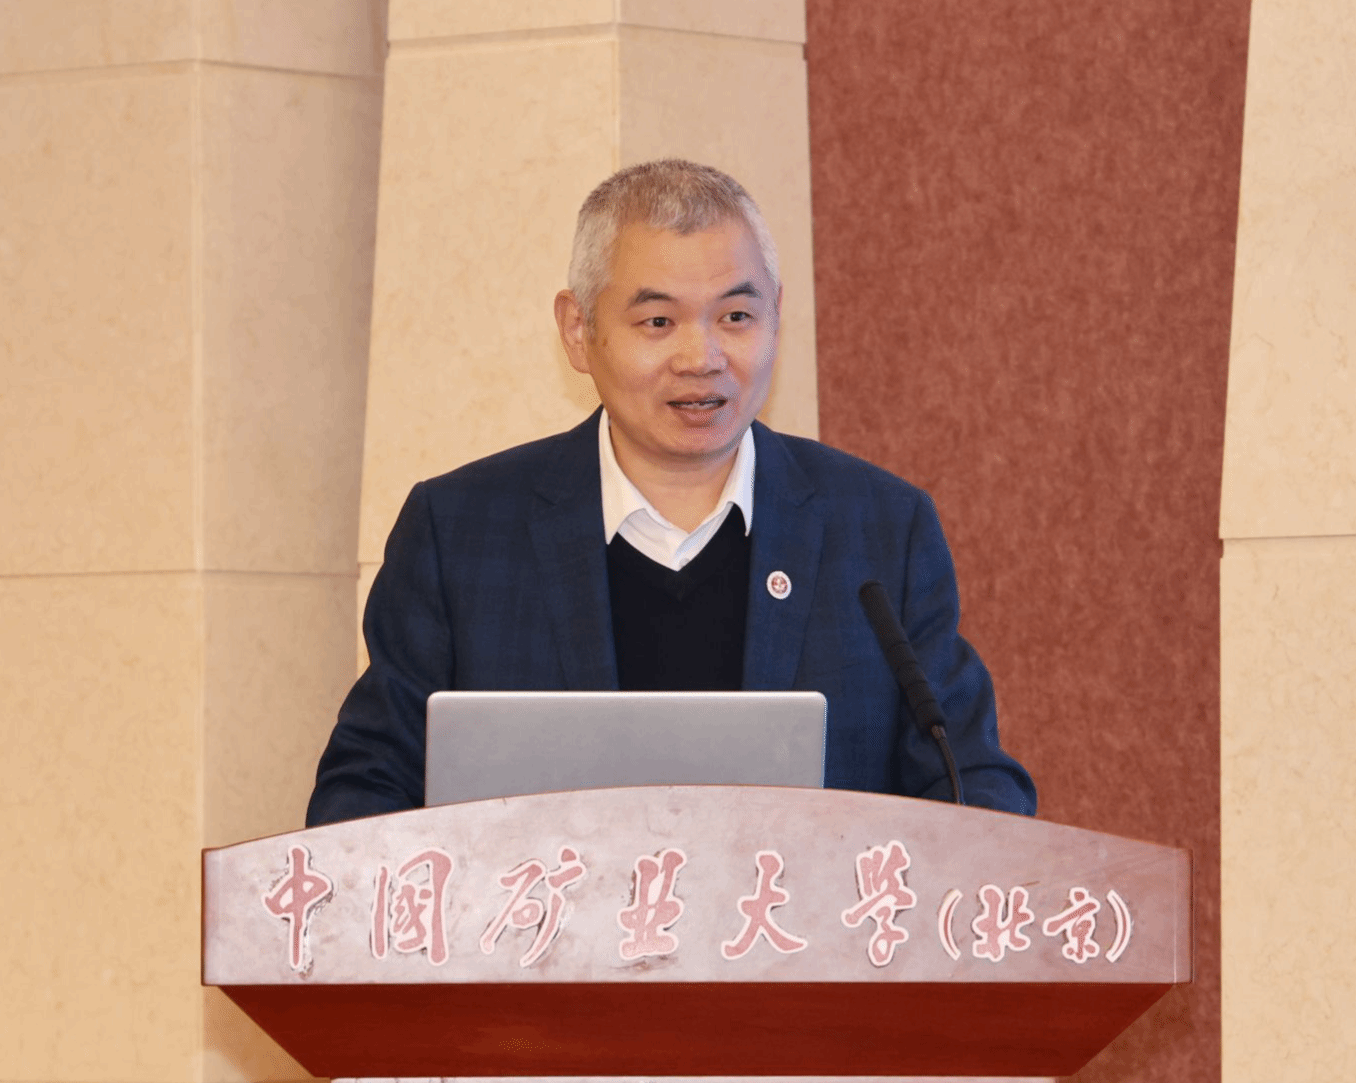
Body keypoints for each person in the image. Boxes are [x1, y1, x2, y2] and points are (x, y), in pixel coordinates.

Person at [307, 159, 1036, 825]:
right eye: (658, 322)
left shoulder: (880, 529)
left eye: (736, 316)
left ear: (776, 315)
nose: (702, 357)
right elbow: (365, 789)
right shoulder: (460, 533)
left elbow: (970, 783)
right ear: (579, 330)